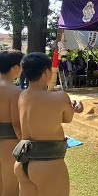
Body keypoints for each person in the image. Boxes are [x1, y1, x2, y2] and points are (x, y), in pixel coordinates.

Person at [13, 52, 84, 196]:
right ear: (47, 72)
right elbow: (67, 118)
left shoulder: (22, 96)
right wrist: (75, 106)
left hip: (22, 161)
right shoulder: (60, 96)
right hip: (48, 163)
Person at [0, 50, 24, 195]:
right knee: (10, 188)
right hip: (9, 144)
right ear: (15, 67)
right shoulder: (16, 92)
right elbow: (17, 125)